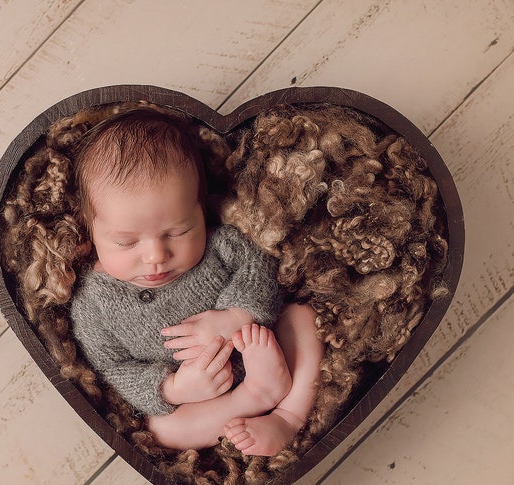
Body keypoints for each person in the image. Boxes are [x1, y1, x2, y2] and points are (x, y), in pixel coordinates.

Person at [69, 107, 323, 456]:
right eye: (127, 242)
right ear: (91, 227)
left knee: (302, 319)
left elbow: (259, 267)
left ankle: (288, 418)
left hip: (263, 350)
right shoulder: (93, 306)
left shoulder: (222, 245)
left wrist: (237, 316)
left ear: (201, 208)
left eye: (178, 231)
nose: (156, 255)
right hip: (198, 399)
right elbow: (113, 368)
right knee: (161, 429)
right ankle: (256, 397)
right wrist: (172, 389)